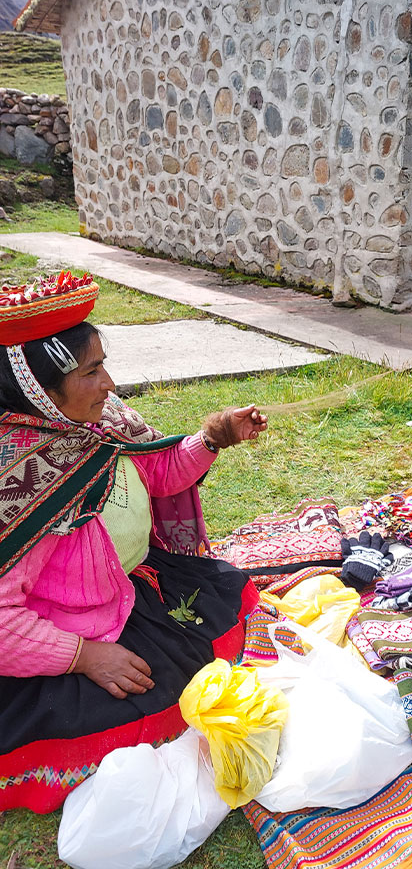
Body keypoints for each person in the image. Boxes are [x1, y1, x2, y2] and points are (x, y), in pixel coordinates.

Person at [0, 272, 267, 813]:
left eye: (104, 365)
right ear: (36, 387)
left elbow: (159, 471)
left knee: (228, 603)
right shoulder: (13, 477)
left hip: (132, 585)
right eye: (92, 371)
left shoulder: (103, 420)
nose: (110, 385)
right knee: (135, 711)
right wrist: (82, 656)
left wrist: (213, 436)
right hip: (68, 627)